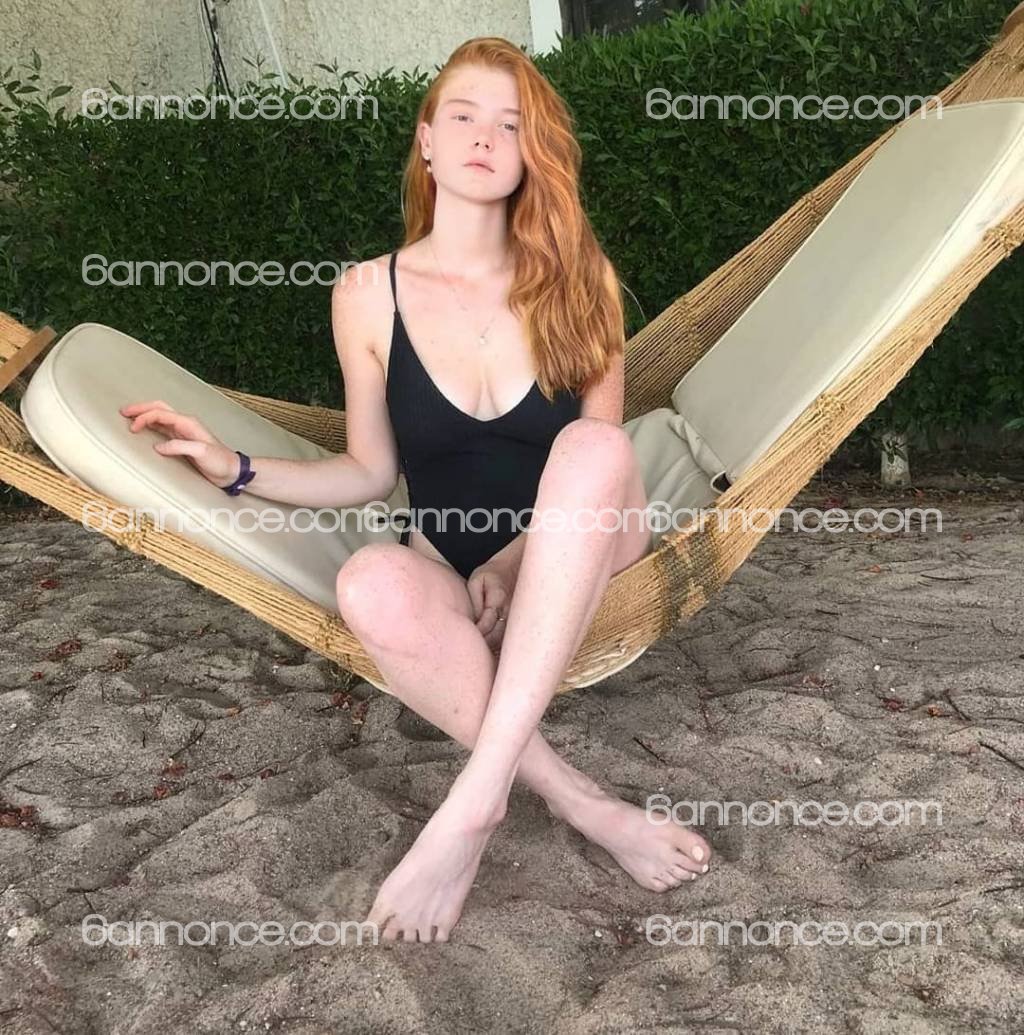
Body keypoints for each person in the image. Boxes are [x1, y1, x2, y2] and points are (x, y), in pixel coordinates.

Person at [120, 36, 712, 945]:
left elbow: (604, 461)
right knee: (368, 581)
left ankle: (472, 802)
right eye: (463, 116)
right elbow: (368, 470)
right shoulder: (366, 293)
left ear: (531, 154)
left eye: (510, 125)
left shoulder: (580, 280)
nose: (484, 137)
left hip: (586, 553)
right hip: (449, 568)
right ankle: (582, 802)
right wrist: (233, 465)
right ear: (427, 141)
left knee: (593, 444)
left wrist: (512, 564)